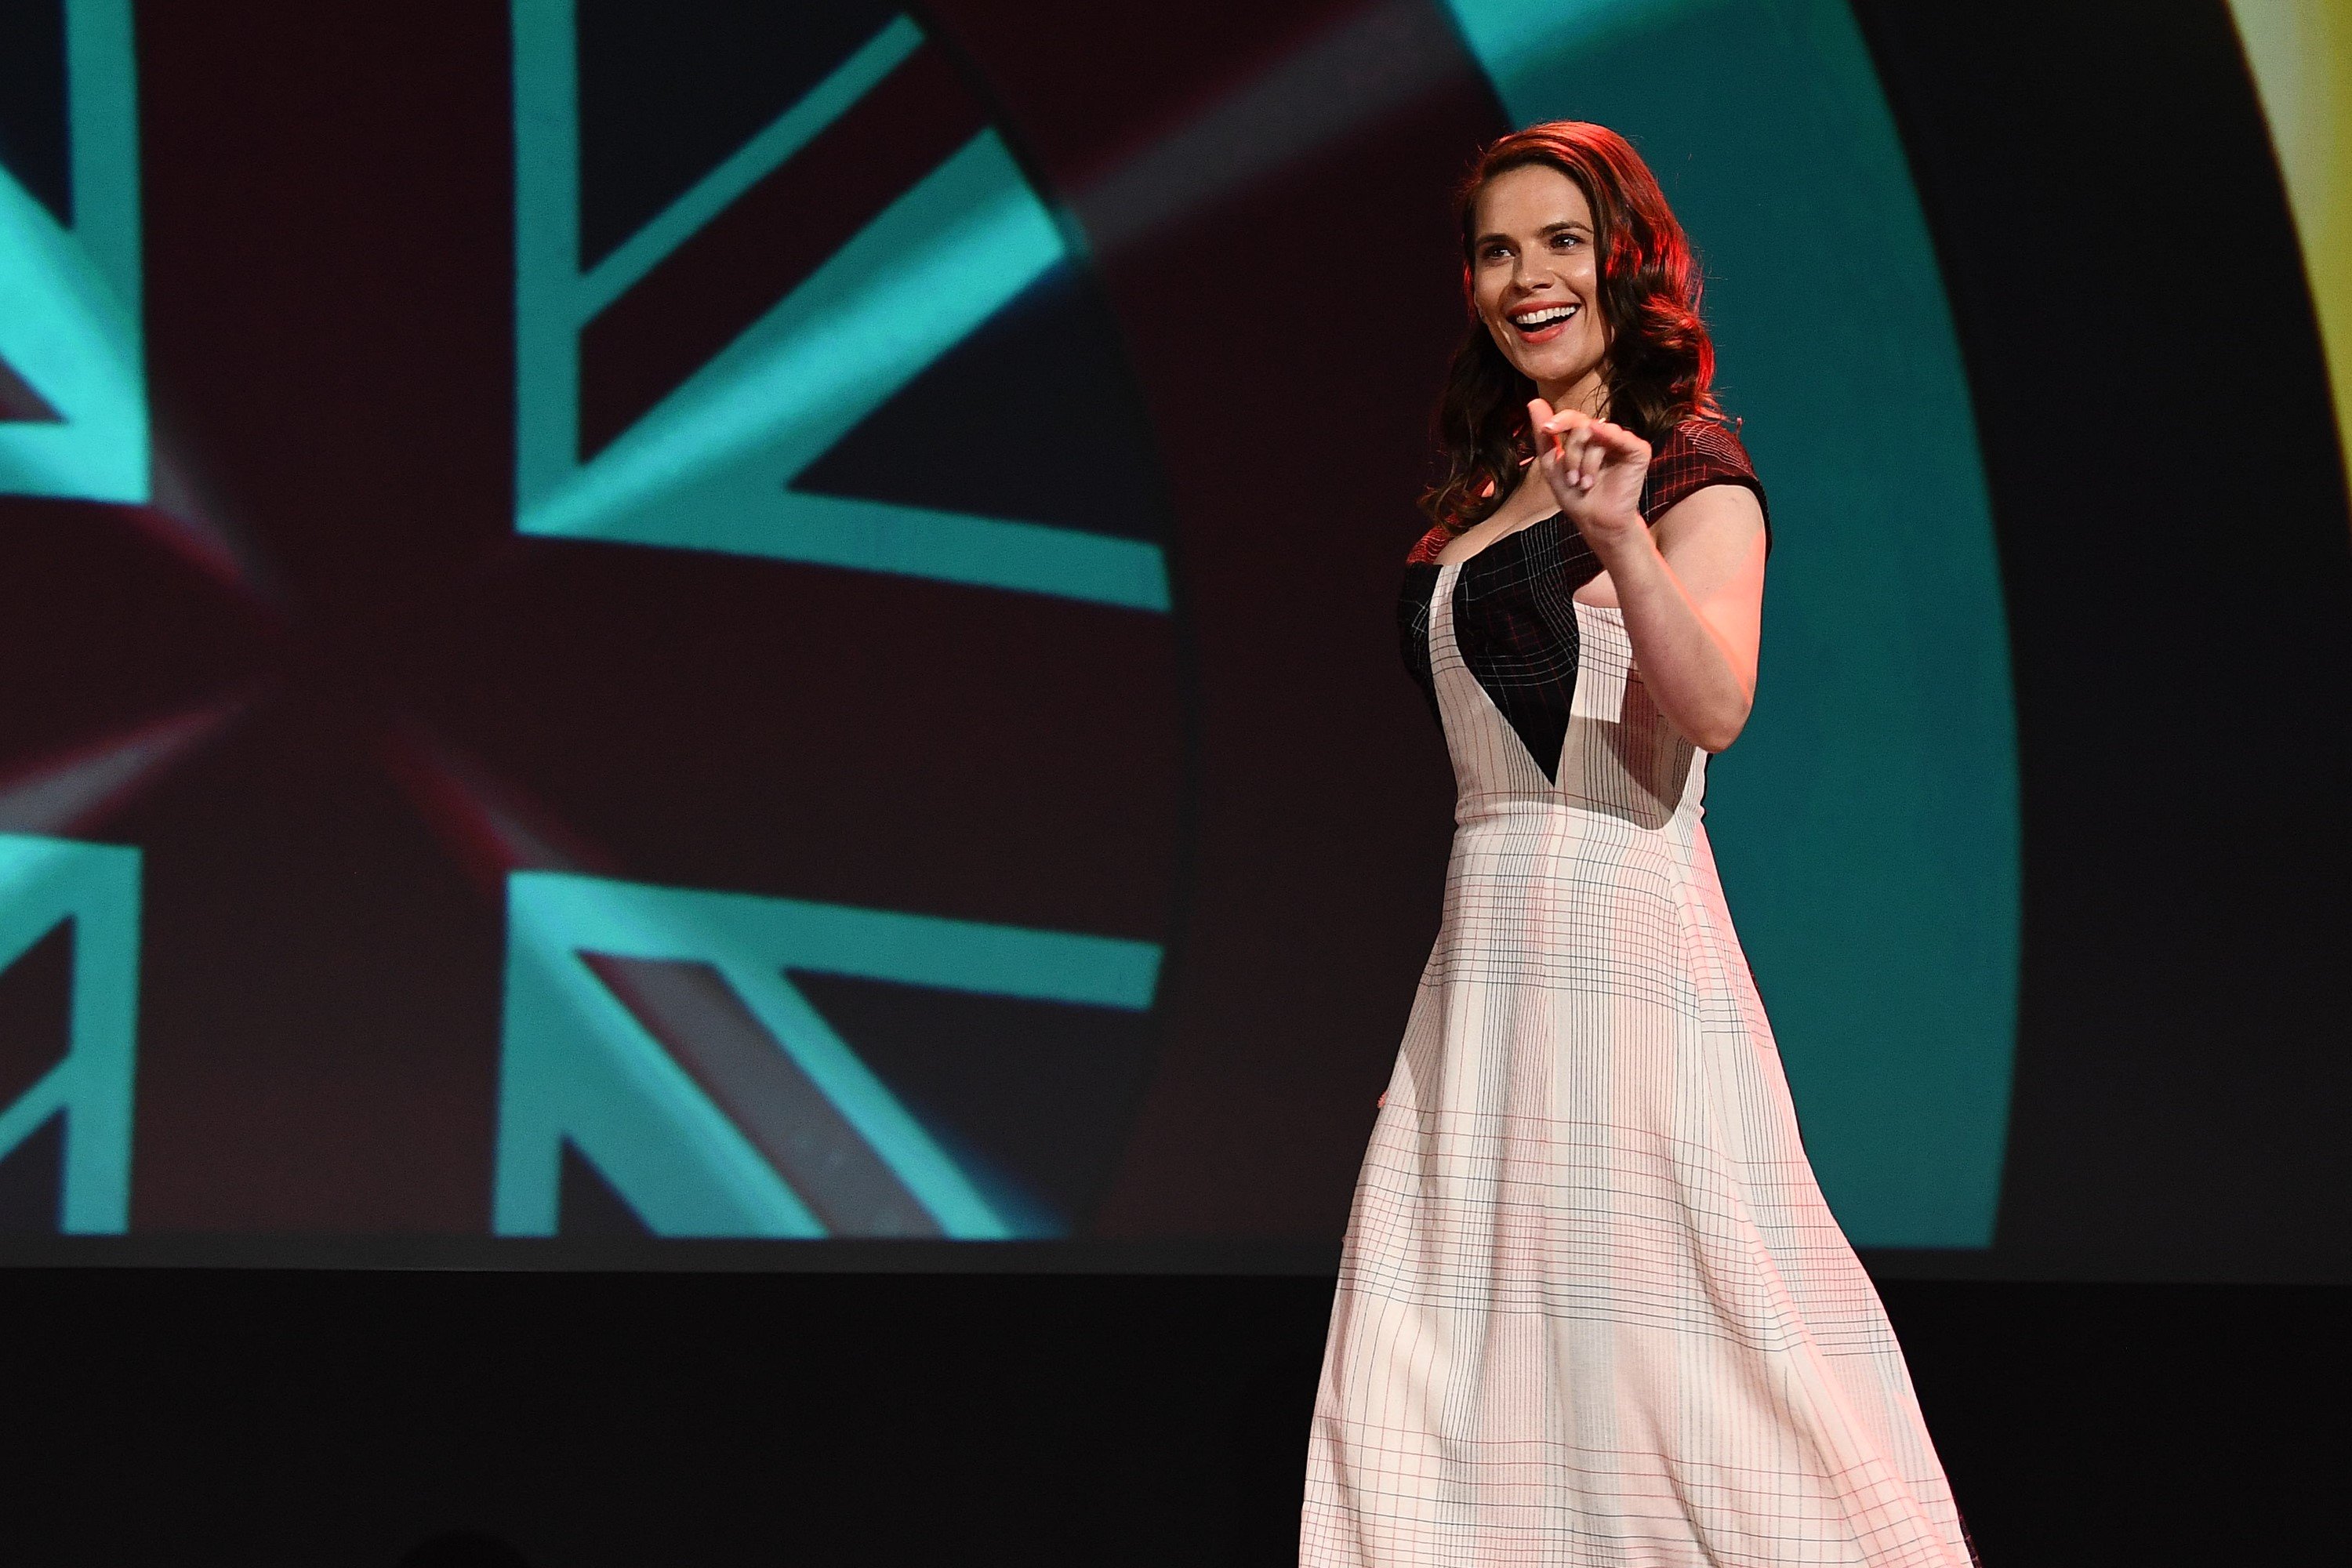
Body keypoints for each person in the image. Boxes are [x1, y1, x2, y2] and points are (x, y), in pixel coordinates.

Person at [1301, 122, 1976, 1567]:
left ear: (1626, 262)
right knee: (1439, 1381)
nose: (1527, 277)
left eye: (1561, 242)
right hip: (1483, 983)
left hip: (1624, 961)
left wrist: (1621, 540)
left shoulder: (1687, 470)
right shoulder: (1487, 490)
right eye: (1497, 249)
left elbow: (1716, 706)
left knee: (1699, 1366)